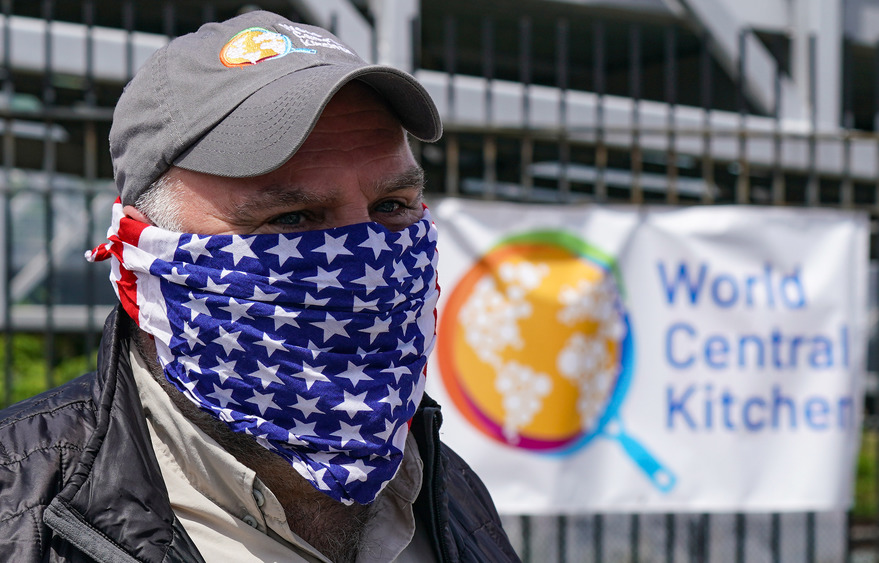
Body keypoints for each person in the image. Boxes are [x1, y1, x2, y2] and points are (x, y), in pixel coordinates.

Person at [0, 10, 519, 563]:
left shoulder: (451, 495)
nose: (365, 262)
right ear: (141, 250)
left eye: (391, 208)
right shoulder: (20, 510)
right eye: (292, 219)